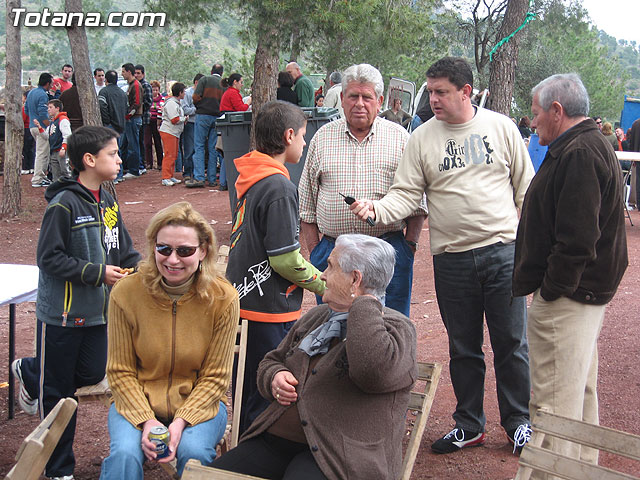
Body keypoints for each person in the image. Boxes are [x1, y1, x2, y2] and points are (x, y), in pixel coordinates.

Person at [349, 57, 534, 454]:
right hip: (452, 258)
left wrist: (533, 248)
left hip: (503, 252)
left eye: (441, 92)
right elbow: (406, 193)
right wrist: (377, 209)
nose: (432, 98)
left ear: (466, 91)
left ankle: (519, 422)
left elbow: (526, 192)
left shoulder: (501, 128)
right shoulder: (422, 137)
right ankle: (470, 424)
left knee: (511, 342)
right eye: (429, 91)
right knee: (463, 347)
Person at [213, 234, 417, 479]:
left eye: (330, 267)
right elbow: (271, 361)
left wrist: (363, 303)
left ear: (355, 279)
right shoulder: (318, 317)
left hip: (338, 456)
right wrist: (275, 377)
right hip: (275, 443)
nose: (321, 274)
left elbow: (370, 373)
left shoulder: (397, 329)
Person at [513, 73, 628, 474]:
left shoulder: (579, 152)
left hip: (569, 299)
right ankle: (578, 471)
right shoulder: (587, 144)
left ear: (557, 111)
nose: (532, 121)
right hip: (580, 297)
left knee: (553, 406)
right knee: (577, 394)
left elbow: (578, 240)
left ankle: (545, 473)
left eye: (536, 113)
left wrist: (551, 291)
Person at [11, 126, 141, 479]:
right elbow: (48, 259)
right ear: (89, 159)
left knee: (91, 374)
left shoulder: (108, 200)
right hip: (61, 319)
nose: (118, 159)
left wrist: (144, 267)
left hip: (97, 316)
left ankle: (30, 369)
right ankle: (58, 469)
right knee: (58, 394)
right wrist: (98, 274)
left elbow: (122, 248)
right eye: (112, 154)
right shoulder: (63, 204)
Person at [100, 201, 239, 479]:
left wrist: (180, 423)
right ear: (153, 248)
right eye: (164, 249)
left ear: (203, 251)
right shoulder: (126, 293)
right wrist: (146, 419)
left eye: (185, 251)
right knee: (124, 456)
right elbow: (120, 371)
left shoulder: (223, 298)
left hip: (200, 405)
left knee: (195, 453)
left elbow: (216, 378)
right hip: (136, 400)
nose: (172, 260)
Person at [226, 100, 327, 435]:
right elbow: (284, 258)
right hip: (269, 308)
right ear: (287, 136)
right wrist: (321, 283)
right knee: (265, 395)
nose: (305, 142)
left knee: (246, 389)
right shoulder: (279, 187)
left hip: (245, 301)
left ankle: (243, 453)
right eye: (302, 135)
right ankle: (252, 461)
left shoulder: (253, 178)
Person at [299, 63, 427, 318]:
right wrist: (316, 252)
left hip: (388, 251)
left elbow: (418, 202)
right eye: (353, 96)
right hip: (333, 254)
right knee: (332, 327)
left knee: (389, 325)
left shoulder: (400, 138)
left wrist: (409, 246)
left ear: (379, 101)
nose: (359, 103)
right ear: (342, 99)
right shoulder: (322, 138)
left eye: (366, 97)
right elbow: (307, 205)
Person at [189, 63, 224, 188]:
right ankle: (212, 178)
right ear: (222, 73)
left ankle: (199, 178)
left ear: (211, 71)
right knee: (213, 148)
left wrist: (200, 107)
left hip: (203, 115)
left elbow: (195, 97)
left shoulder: (204, 80)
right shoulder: (223, 84)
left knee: (199, 146)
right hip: (217, 117)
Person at [98, 70, 128, 183]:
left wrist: (106, 121)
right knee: (118, 150)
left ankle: (113, 175)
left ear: (106, 80)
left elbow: (102, 107)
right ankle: (119, 174)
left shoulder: (103, 92)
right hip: (121, 125)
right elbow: (127, 108)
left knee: (110, 151)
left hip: (110, 126)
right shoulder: (122, 93)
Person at [25, 72, 54, 187]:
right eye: (51, 83)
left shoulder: (31, 92)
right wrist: (49, 125)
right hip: (41, 127)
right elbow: (43, 113)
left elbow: (26, 109)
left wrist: (33, 118)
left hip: (32, 126)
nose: (52, 85)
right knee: (42, 153)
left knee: (40, 151)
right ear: (47, 83)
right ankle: (38, 179)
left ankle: (41, 176)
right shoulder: (43, 95)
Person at [32, 99, 72, 182]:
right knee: (55, 173)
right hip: (54, 151)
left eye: (50, 107)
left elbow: (67, 135)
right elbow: (47, 136)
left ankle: (71, 189)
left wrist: (64, 148)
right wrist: (40, 127)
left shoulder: (63, 120)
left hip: (61, 150)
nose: (48, 109)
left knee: (65, 171)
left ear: (57, 108)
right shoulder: (53, 122)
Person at [159, 82, 187, 186]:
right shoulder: (171, 103)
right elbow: (174, 119)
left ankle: (170, 175)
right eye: (183, 92)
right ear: (179, 92)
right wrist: (185, 118)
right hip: (169, 131)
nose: (185, 93)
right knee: (169, 154)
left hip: (174, 132)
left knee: (174, 154)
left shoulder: (176, 103)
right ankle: (165, 177)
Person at [178, 73, 203, 181]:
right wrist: (197, 109)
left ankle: (196, 172)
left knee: (199, 148)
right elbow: (184, 109)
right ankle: (187, 172)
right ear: (196, 82)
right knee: (189, 148)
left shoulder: (203, 93)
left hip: (200, 124)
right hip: (191, 124)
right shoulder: (188, 93)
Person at [121, 63, 143, 178]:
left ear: (129, 72)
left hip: (134, 119)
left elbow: (137, 103)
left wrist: (128, 116)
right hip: (131, 119)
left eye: (123, 71)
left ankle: (134, 170)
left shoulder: (135, 85)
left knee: (133, 144)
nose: (122, 74)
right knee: (129, 143)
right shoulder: (131, 85)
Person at [135, 65, 153, 175]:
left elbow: (149, 102)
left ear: (143, 74)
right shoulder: (135, 85)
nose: (136, 75)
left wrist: (139, 108)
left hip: (143, 118)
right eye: (135, 73)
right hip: (138, 117)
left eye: (138, 73)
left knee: (141, 141)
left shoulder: (145, 85)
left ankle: (142, 164)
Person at [145, 80, 164, 170]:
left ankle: (160, 163)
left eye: (156, 90)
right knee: (148, 142)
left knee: (158, 142)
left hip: (158, 122)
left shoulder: (162, 99)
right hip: (149, 121)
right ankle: (149, 163)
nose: (155, 92)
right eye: (153, 90)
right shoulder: (148, 99)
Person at [21, 89, 35, 175]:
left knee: (25, 149)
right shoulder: (34, 107)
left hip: (26, 129)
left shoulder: (25, 108)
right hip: (33, 128)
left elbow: (22, 119)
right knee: (32, 149)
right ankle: (32, 167)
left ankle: (25, 167)